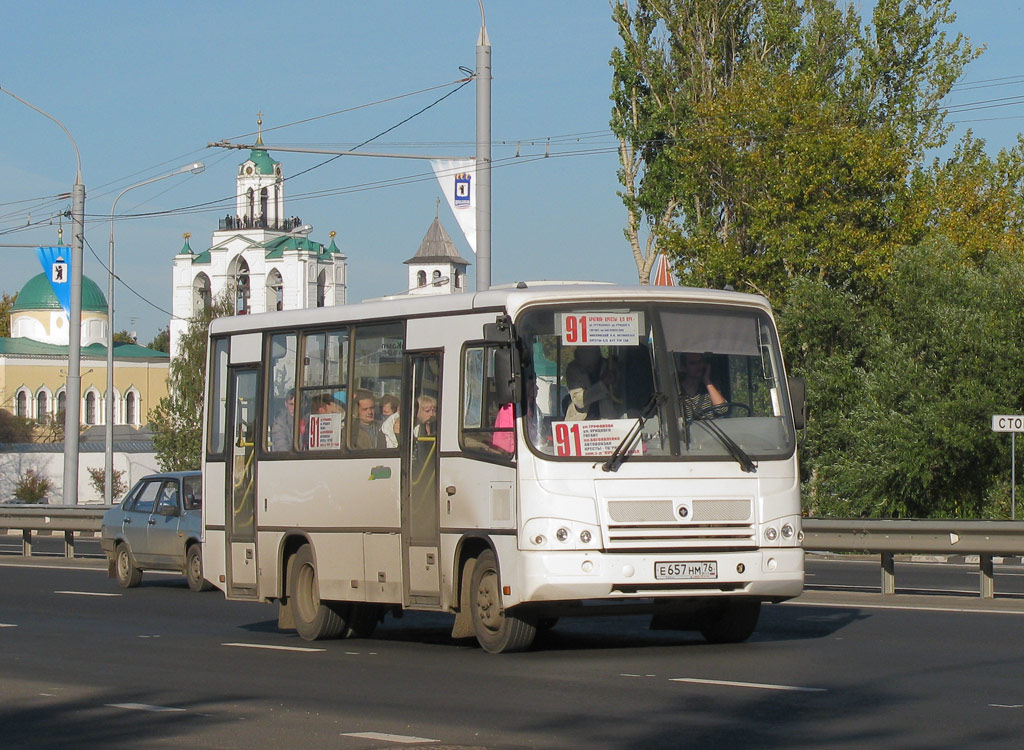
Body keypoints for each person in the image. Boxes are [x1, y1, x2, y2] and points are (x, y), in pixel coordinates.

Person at [564, 346, 617, 420]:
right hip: (580, 421)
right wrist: (603, 384)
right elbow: (579, 400)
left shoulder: (610, 366)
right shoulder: (573, 369)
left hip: (606, 421)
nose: (586, 369)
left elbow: (619, 394)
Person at [677, 352, 728, 421]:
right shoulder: (677, 390)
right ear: (683, 367)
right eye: (693, 363)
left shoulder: (709, 389)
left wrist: (707, 381)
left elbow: (722, 409)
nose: (698, 366)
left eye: (700, 362)